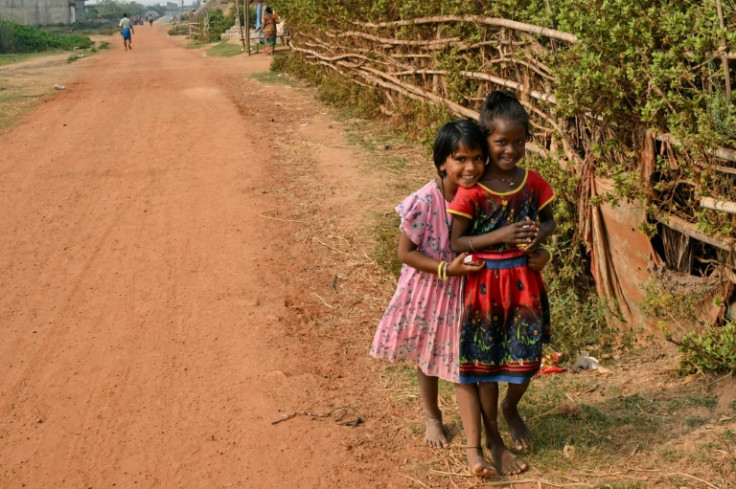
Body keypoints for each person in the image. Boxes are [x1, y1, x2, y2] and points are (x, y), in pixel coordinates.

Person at [374, 120, 526, 477]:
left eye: (476, 158)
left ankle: (479, 447)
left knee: (464, 368)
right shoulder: (426, 200)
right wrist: (445, 270)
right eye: (460, 159)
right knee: (426, 358)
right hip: (430, 288)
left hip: (470, 293)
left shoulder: (482, 196)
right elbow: (405, 252)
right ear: (442, 162)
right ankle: (433, 417)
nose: (469, 167)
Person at [447, 90, 555, 475]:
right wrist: (501, 234)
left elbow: (550, 221)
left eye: (518, 141)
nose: (510, 150)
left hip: (524, 284)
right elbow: (457, 241)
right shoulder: (472, 189)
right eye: (501, 142)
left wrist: (536, 238)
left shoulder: (533, 182)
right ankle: (493, 438)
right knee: (487, 366)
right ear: (486, 139)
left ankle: (512, 406)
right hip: (484, 287)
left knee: (525, 363)